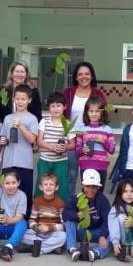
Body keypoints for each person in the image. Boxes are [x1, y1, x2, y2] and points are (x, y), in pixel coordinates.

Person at [63, 62, 108, 200]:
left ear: (92, 76)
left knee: (90, 177)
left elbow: (103, 116)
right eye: (80, 74)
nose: (84, 77)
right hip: (72, 139)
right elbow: (62, 114)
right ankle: (69, 205)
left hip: (90, 140)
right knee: (71, 176)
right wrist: (65, 134)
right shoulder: (68, 92)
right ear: (76, 77)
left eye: (87, 74)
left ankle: (92, 207)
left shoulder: (98, 93)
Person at [0, 84, 39, 217]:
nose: (20, 102)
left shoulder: (32, 118)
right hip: (8, 162)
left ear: (29, 100)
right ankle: (6, 219)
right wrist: (2, 150)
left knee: (25, 193)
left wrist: (21, 126)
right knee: (6, 193)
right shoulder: (7, 118)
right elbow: (3, 139)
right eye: (18, 99)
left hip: (24, 163)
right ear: (13, 99)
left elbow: (32, 140)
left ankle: (25, 221)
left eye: (23, 99)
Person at [62, 169, 111, 262]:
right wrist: (78, 214)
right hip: (81, 231)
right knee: (69, 221)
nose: (90, 190)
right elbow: (65, 215)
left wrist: (103, 235)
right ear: (82, 186)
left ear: (98, 188)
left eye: (94, 187)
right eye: (87, 186)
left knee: (113, 233)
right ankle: (72, 249)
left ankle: (96, 253)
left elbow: (107, 220)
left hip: (96, 233)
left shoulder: (103, 200)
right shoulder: (75, 198)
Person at [35, 92, 75, 202]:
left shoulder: (67, 123)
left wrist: (65, 147)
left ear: (64, 107)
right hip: (45, 160)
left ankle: (60, 211)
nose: (55, 109)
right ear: (48, 108)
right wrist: (52, 147)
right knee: (42, 185)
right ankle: (39, 209)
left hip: (61, 161)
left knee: (61, 186)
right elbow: (39, 141)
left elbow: (73, 144)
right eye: (52, 106)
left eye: (58, 105)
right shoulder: (44, 121)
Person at [21, 172, 66, 256]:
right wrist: (36, 227)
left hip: (52, 233)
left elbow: (64, 225)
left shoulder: (60, 203)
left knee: (63, 236)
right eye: (45, 184)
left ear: (56, 187)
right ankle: (51, 247)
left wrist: (50, 228)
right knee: (22, 234)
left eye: (51, 184)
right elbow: (32, 220)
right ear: (41, 187)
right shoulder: (37, 201)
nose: (48, 186)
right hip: (38, 233)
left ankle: (35, 247)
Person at [75, 96, 115, 192]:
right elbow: (77, 148)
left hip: (101, 165)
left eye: (97, 111)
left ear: (102, 113)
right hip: (86, 164)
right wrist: (82, 150)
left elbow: (112, 150)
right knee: (86, 193)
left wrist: (103, 141)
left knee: (99, 193)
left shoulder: (107, 129)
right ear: (86, 113)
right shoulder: (81, 129)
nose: (94, 114)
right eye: (91, 111)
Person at [108, 179, 133, 260]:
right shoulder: (116, 208)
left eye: (132, 191)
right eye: (125, 191)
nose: (129, 194)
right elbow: (113, 226)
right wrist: (115, 242)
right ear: (120, 194)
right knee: (121, 217)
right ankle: (125, 246)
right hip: (122, 238)